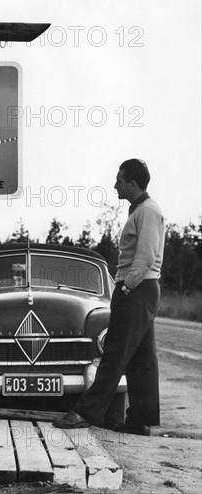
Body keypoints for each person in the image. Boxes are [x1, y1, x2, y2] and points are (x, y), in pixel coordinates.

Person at [53, 159, 165, 435]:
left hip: (138, 288)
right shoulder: (141, 210)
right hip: (143, 289)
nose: (115, 184)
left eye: (120, 180)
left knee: (114, 351)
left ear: (133, 184)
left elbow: (146, 255)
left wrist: (127, 287)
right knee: (142, 356)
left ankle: (85, 412)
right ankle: (140, 420)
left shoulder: (148, 211)